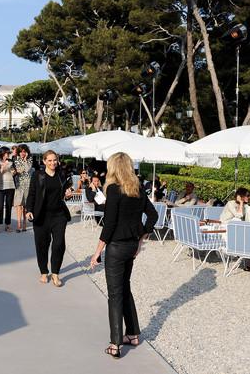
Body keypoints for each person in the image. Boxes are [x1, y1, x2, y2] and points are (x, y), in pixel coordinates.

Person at [89, 152, 157, 359]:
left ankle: (115, 343)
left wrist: (97, 252)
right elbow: (153, 215)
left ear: (113, 168)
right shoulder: (137, 189)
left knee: (115, 294)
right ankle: (133, 334)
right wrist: (141, 238)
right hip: (131, 246)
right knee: (124, 288)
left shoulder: (113, 189)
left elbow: (109, 225)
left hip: (117, 247)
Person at [25, 150, 73, 287]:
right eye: (50, 160)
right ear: (44, 161)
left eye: (55, 160)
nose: (53, 163)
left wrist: (68, 194)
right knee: (42, 245)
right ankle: (44, 272)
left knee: (59, 245)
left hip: (59, 216)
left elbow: (65, 192)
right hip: (41, 216)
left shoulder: (61, 174)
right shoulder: (38, 175)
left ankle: (56, 274)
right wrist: (29, 210)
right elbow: (32, 194)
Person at [0, 148, 16, 233]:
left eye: (8, 153)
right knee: (0, 206)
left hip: (10, 186)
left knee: (9, 206)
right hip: (0, 187)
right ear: (2, 154)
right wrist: (4, 166)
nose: (7, 155)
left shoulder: (11, 162)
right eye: (6, 153)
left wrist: (13, 171)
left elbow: (13, 172)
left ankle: (8, 225)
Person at [13, 144, 33, 232]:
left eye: (24, 152)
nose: (22, 153)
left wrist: (25, 160)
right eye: (21, 152)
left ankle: (24, 224)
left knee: (25, 206)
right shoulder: (16, 159)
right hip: (19, 185)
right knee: (18, 205)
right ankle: (18, 224)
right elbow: (19, 170)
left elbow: (28, 169)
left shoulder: (30, 159)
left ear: (27, 152)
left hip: (28, 185)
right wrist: (23, 166)